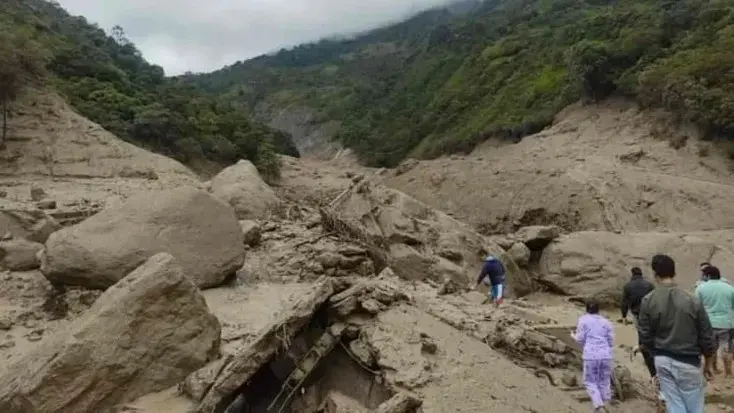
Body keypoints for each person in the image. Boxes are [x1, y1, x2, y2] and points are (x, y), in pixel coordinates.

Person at [637, 254, 715, 413]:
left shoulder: (648, 300)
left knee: (675, 406)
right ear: (674, 273)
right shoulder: (692, 300)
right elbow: (706, 335)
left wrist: (654, 355)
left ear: (655, 274)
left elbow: (644, 335)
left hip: (663, 360)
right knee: (694, 407)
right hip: (689, 361)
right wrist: (708, 362)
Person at [572, 299, 613, 413]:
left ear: (586, 309)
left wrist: (572, 335)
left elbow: (580, 339)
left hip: (591, 355)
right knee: (604, 381)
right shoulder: (606, 322)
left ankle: (599, 407)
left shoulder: (583, 320)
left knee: (590, 381)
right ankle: (606, 404)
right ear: (598, 310)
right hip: (605, 355)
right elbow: (610, 341)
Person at [695, 265, 734, 377]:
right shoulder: (730, 288)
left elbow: (697, 307)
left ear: (708, 276)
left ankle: (711, 370)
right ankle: (729, 373)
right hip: (727, 323)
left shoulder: (701, 288)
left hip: (708, 324)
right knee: (727, 348)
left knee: (711, 347)